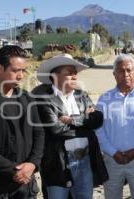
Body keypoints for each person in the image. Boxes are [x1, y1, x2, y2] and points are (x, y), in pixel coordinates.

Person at [0, 45, 45, 198]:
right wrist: (15, 171)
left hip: (26, 186)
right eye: (16, 70)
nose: (21, 76)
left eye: (23, 71)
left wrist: (32, 164)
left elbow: (39, 134)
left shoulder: (27, 99)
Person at [32, 53, 108, 199]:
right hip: (57, 164)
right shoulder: (43, 98)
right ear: (54, 76)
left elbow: (97, 119)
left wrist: (72, 120)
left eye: (75, 73)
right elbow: (55, 129)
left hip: (84, 161)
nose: (75, 77)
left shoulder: (82, 95)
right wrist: (85, 120)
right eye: (69, 73)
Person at [96, 54, 134, 199]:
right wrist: (113, 152)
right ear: (114, 74)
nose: (125, 74)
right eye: (121, 71)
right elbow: (99, 130)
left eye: (129, 70)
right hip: (112, 160)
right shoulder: (104, 99)